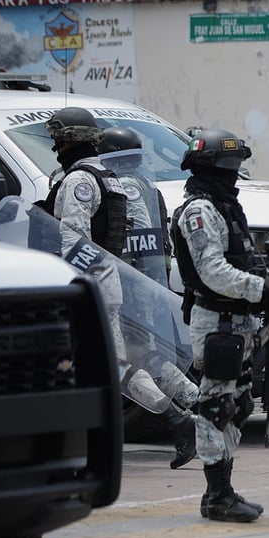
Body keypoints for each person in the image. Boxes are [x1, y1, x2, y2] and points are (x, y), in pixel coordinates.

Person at [44, 107, 195, 469]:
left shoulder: (78, 182)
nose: (56, 149)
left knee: (111, 367)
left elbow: (75, 242)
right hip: (109, 281)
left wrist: (70, 289)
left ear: (72, 141)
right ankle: (201, 407)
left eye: (59, 140)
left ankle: (178, 419)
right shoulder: (108, 176)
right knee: (140, 358)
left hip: (89, 286)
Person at [170, 128, 269, 521]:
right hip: (217, 321)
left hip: (239, 322)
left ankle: (222, 490)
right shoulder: (199, 211)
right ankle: (218, 496)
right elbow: (211, 271)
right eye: (229, 168)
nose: (235, 175)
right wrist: (258, 288)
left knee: (238, 404)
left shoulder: (223, 206)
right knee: (217, 406)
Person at [98, 126, 199, 467]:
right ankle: (206, 408)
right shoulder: (149, 186)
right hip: (147, 284)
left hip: (126, 286)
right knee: (151, 359)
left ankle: (182, 419)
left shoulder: (123, 186)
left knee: (123, 362)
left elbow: (131, 239)